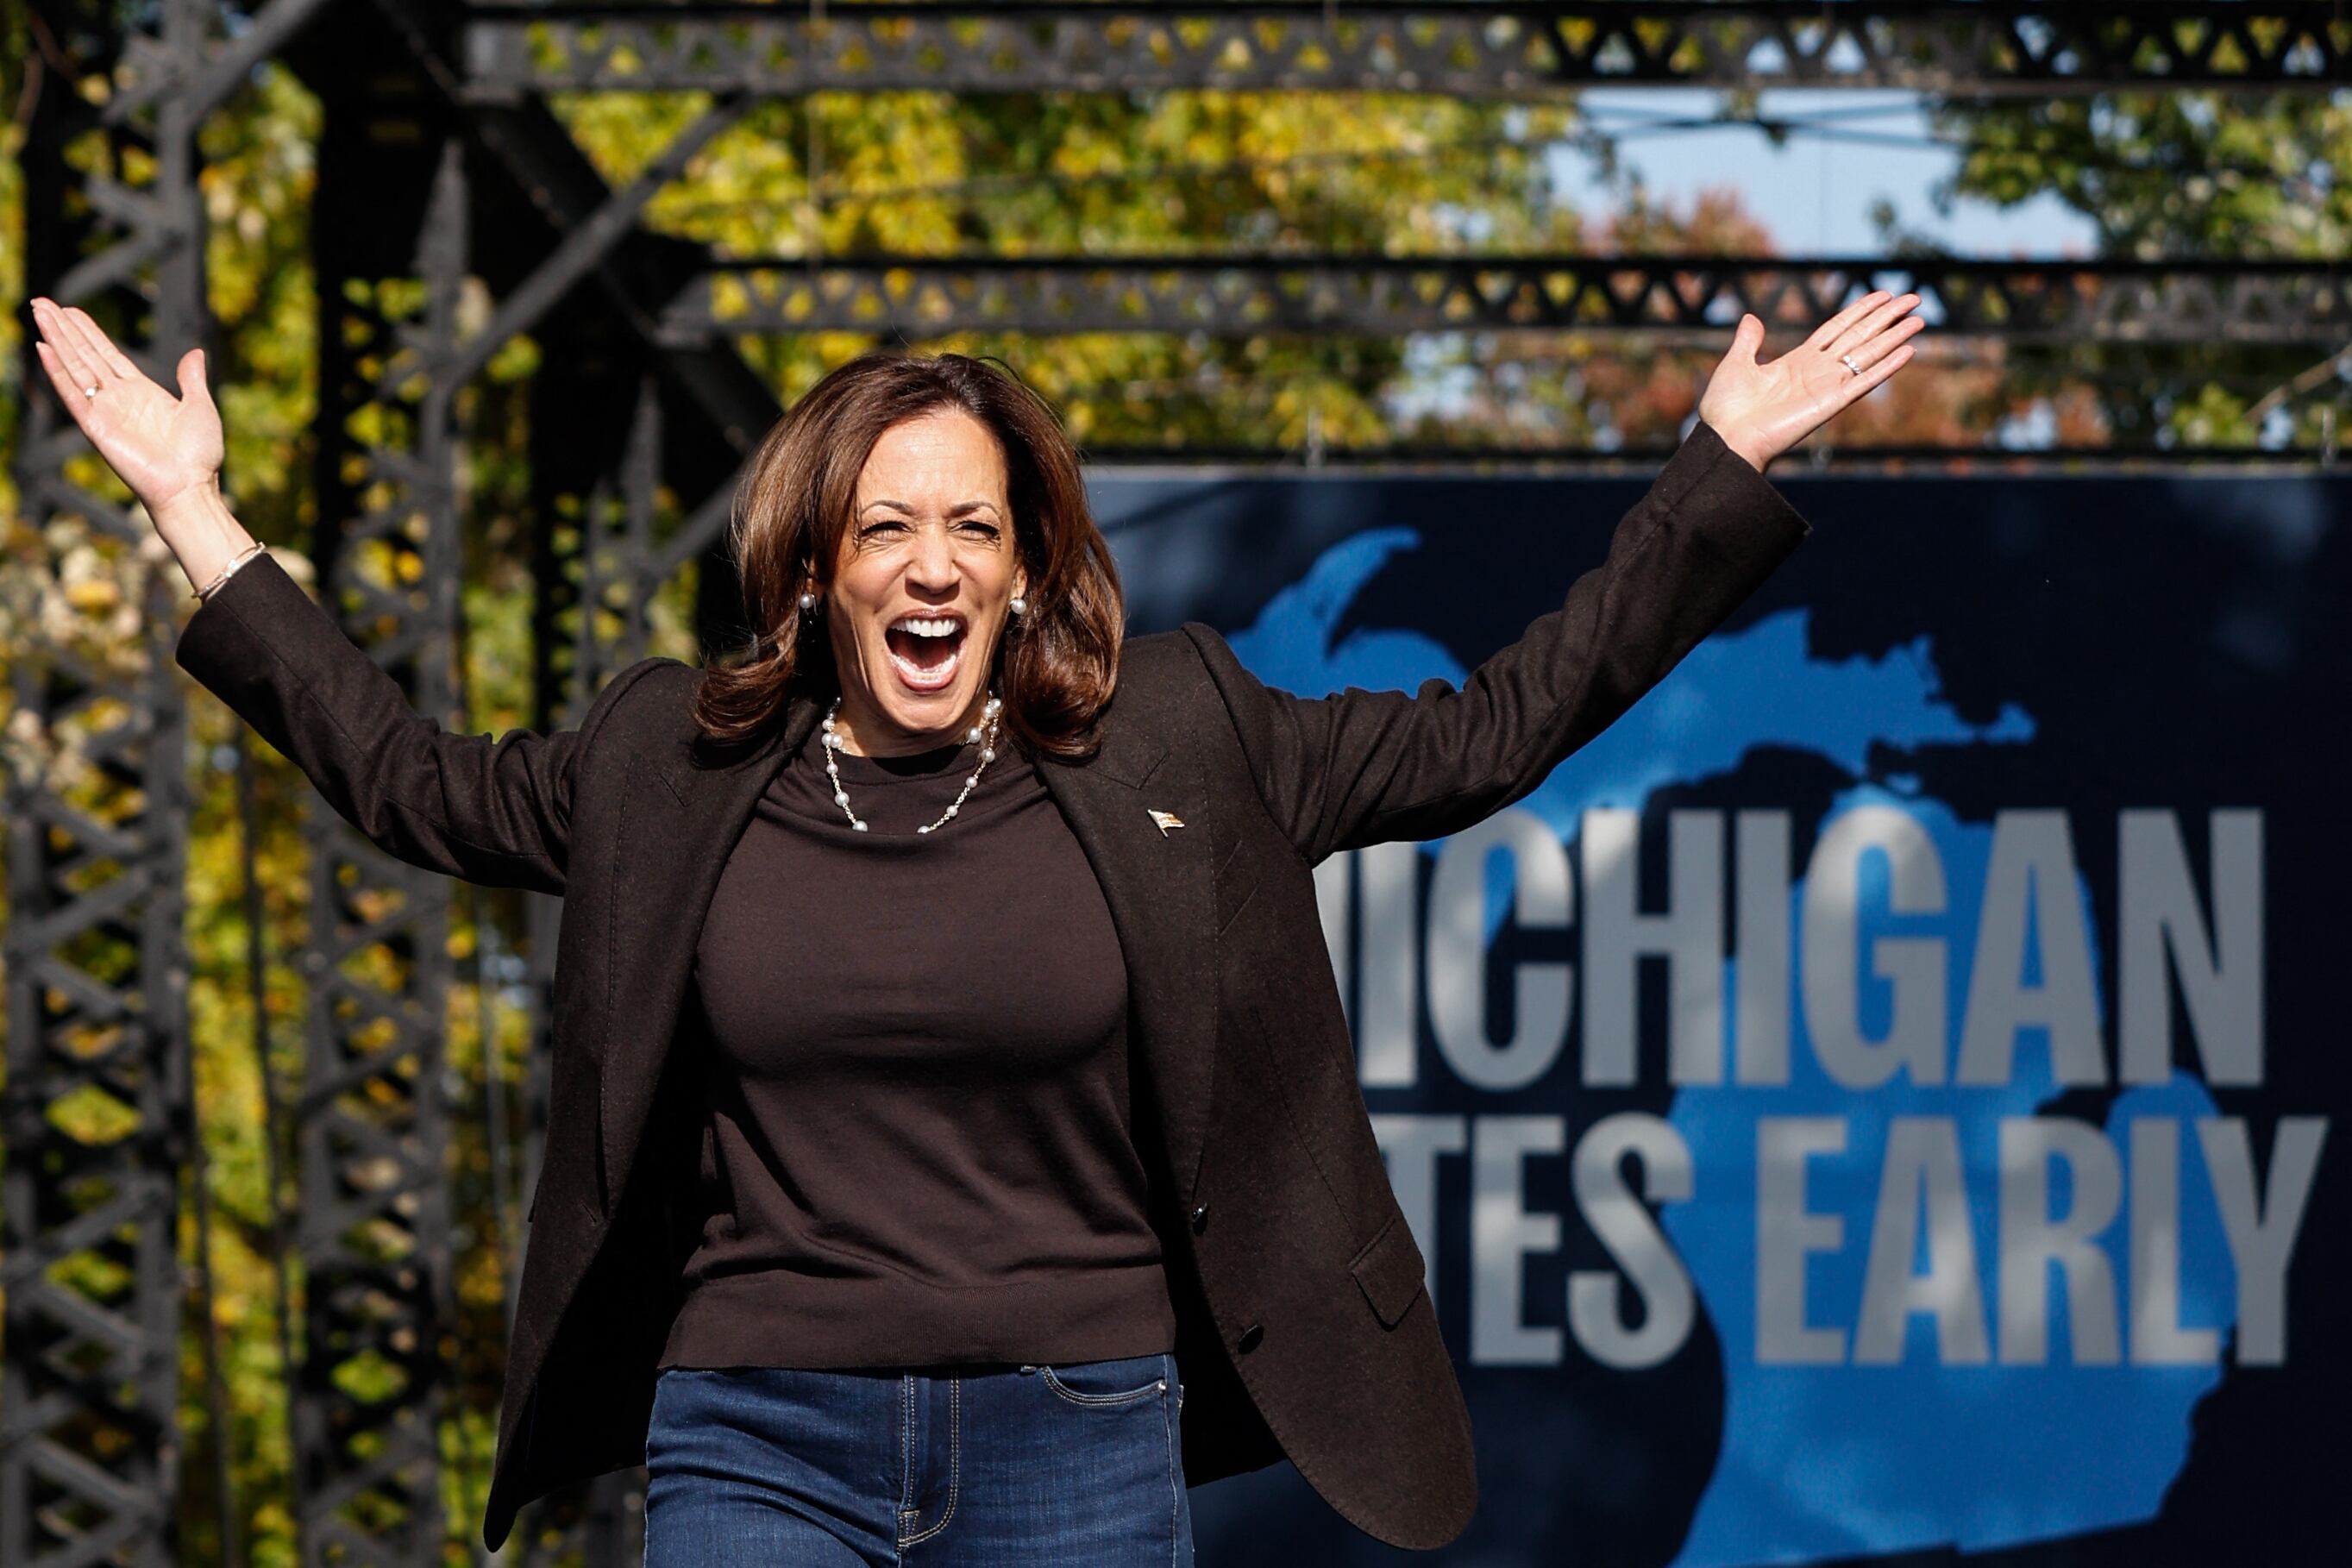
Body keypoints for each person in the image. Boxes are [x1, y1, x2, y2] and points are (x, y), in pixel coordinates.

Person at [28, 290, 1921, 1565]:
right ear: (819, 571)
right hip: (751, 1433)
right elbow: (410, 782)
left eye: (973, 530)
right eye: (883, 530)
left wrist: (1712, 475)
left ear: (1023, 572)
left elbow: (1495, 726)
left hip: (1074, 1435)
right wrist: (200, 520)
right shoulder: (670, 763)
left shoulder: (1181, 732)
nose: (929, 565)